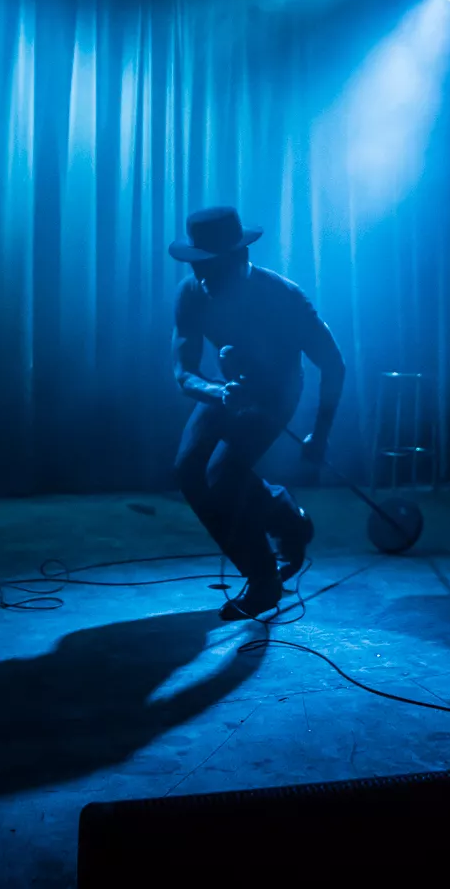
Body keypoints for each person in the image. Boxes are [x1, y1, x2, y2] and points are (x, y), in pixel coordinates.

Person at [170, 206, 346, 620]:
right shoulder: (192, 292)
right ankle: (285, 516)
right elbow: (183, 371)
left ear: (240, 258)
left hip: (277, 390)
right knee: (188, 471)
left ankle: (264, 579)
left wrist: (320, 434)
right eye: (197, 264)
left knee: (223, 475)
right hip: (227, 388)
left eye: (211, 266)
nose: (202, 276)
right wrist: (218, 392)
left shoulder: (284, 297)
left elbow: (333, 364)